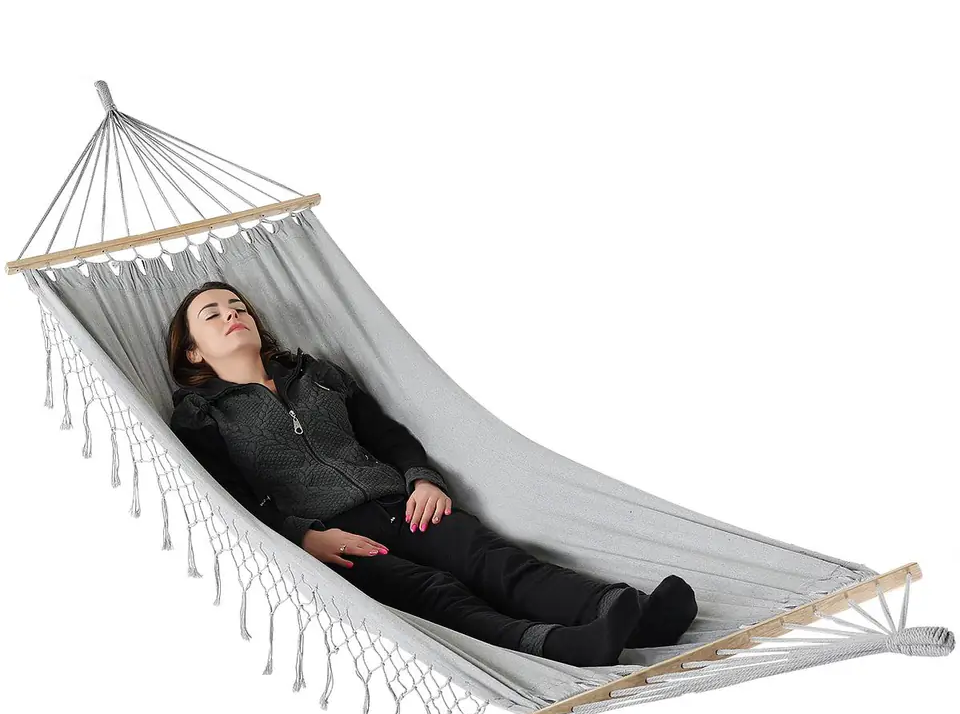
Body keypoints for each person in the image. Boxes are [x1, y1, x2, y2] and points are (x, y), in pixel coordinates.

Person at [166, 281, 698, 666]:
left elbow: (387, 436)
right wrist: (305, 537)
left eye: (238, 307)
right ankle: (563, 647)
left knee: (496, 561)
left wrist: (422, 478)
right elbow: (229, 498)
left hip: (403, 504)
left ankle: (637, 615)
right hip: (335, 536)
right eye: (212, 314)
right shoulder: (202, 415)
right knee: (435, 591)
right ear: (193, 350)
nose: (232, 314)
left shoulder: (318, 375)